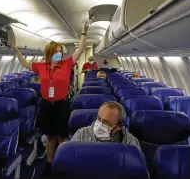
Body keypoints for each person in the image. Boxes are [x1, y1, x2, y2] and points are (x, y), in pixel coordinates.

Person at [8, 20, 90, 177]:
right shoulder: (41, 66)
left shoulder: (67, 64)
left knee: (63, 137)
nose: (59, 54)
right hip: (46, 105)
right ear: (49, 53)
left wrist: (84, 32)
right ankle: (50, 165)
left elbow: (80, 49)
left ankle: (64, 164)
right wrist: (16, 49)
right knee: (50, 137)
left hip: (61, 105)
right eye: (56, 52)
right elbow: (24, 63)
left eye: (60, 51)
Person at [71, 101, 141, 151]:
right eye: (99, 118)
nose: (99, 125)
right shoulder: (81, 135)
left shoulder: (130, 143)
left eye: (106, 123)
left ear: (119, 126)